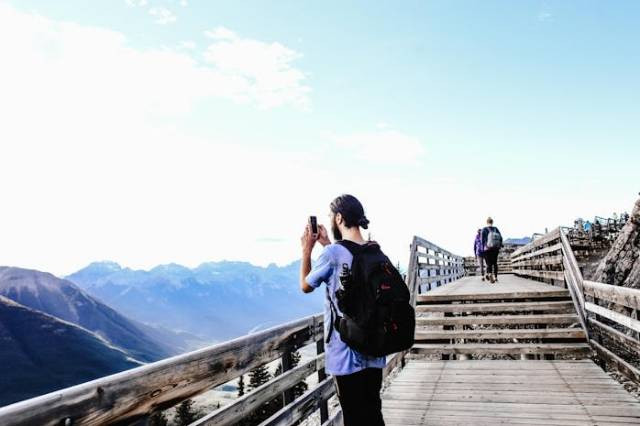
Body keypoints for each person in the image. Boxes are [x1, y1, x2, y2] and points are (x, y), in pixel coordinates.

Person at [299, 194, 386, 426]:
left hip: (345, 351)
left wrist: (307, 249)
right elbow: (348, 262)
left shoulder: (332, 255)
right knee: (372, 412)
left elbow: (306, 285)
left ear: (339, 217)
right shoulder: (374, 250)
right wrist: (327, 244)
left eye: (330, 216)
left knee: (353, 417)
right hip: (375, 348)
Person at [481, 217, 503, 283]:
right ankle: (496, 277)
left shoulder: (484, 229)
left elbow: (482, 240)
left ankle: (490, 274)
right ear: (492, 222)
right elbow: (501, 238)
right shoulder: (496, 229)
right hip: (495, 249)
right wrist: (499, 246)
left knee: (489, 264)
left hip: (487, 249)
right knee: (495, 263)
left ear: (487, 222)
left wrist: (484, 248)